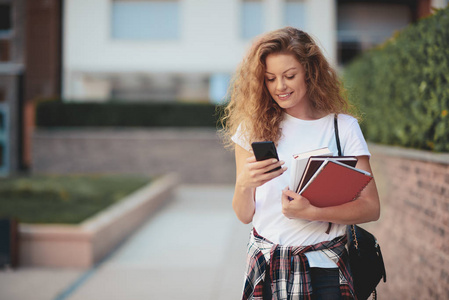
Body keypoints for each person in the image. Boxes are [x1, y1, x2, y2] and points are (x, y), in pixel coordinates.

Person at [220, 27, 380, 300]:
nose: (280, 87)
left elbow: (371, 207)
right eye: (270, 79)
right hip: (268, 267)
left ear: (310, 71)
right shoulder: (251, 130)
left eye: (289, 76)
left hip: (326, 269)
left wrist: (312, 212)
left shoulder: (342, 128)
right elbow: (245, 214)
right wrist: (244, 185)